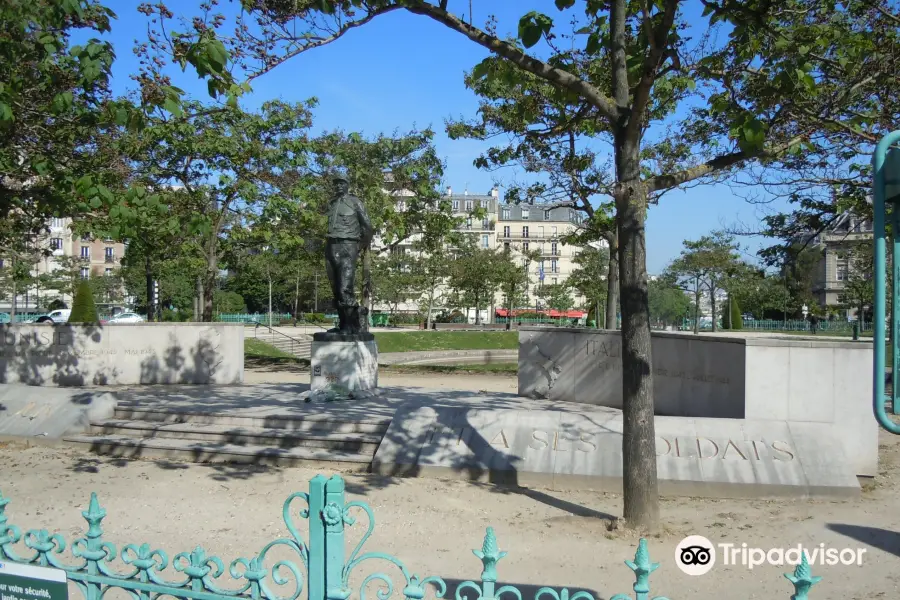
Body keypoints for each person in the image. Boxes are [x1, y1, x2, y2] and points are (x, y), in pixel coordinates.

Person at [324, 173, 373, 335]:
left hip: (348, 245)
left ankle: (351, 326)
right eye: (336, 183)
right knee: (336, 288)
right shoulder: (332, 203)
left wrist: (358, 246)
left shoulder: (355, 202)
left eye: (341, 183)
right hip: (331, 246)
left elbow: (367, 227)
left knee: (345, 287)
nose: (338, 186)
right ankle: (343, 324)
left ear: (347, 185)